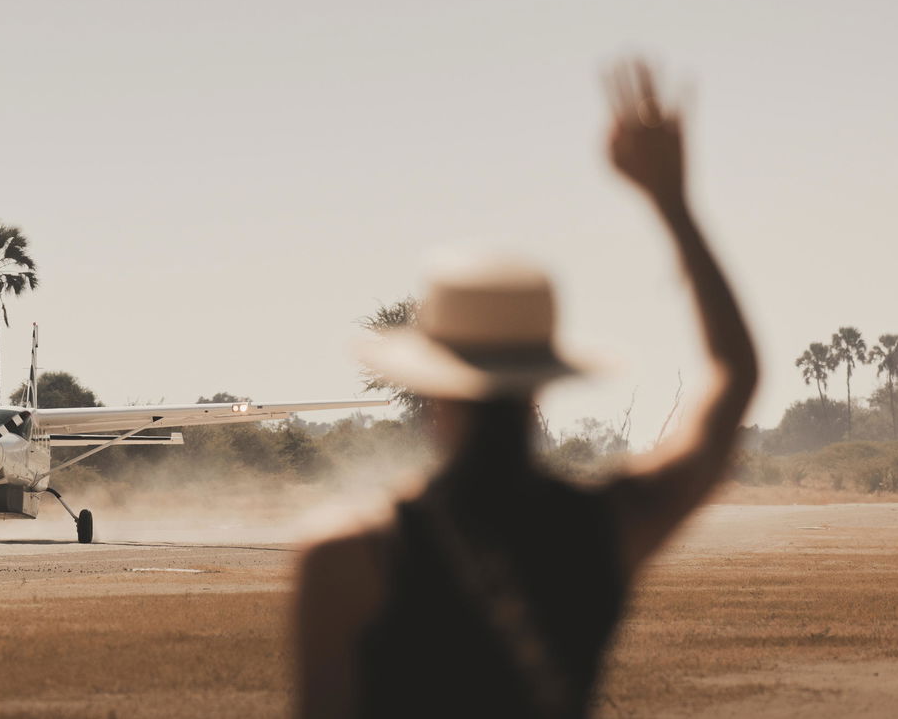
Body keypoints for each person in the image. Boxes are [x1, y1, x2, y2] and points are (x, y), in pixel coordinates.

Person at [294, 59, 759, 719]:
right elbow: (735, 377)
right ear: (540, 390)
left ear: (434, 397)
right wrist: (674, 204)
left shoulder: (342, 559)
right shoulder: (612, 527)